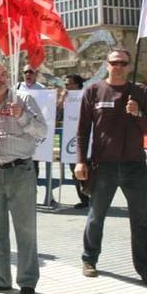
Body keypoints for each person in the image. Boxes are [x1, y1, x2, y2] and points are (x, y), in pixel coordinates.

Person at [74, 49, 147, 288]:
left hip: (134, 165)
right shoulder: (93, 91)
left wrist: (137, 113)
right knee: (95, 217)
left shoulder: (140, 92)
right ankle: (89, 259)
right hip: (103, 166)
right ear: (107, 64)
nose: (119, 66)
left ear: (128, 65)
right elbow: (82, 130)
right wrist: (81, 160)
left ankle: (145, 269)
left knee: (142, 220)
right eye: (114, 62)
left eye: (123, 62)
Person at [0, 60, 48, 294]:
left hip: (20, 171)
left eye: (2, 73)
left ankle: (27, 281)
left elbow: (42, 132)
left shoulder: (23, 100)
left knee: (25, 229)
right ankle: (1, 279)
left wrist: (23, 117)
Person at [59, 74, 89, 209]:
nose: (67, 87)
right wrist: (61, 99)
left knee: (89, 169)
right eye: (65, 84)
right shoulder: (66, 98)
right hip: (70, 139)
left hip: (88, 138)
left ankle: (93, 196)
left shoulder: (87, 95)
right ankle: (83, 199)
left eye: (69, 84)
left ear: (77, 85)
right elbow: (57, 114)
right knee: (74, 170)